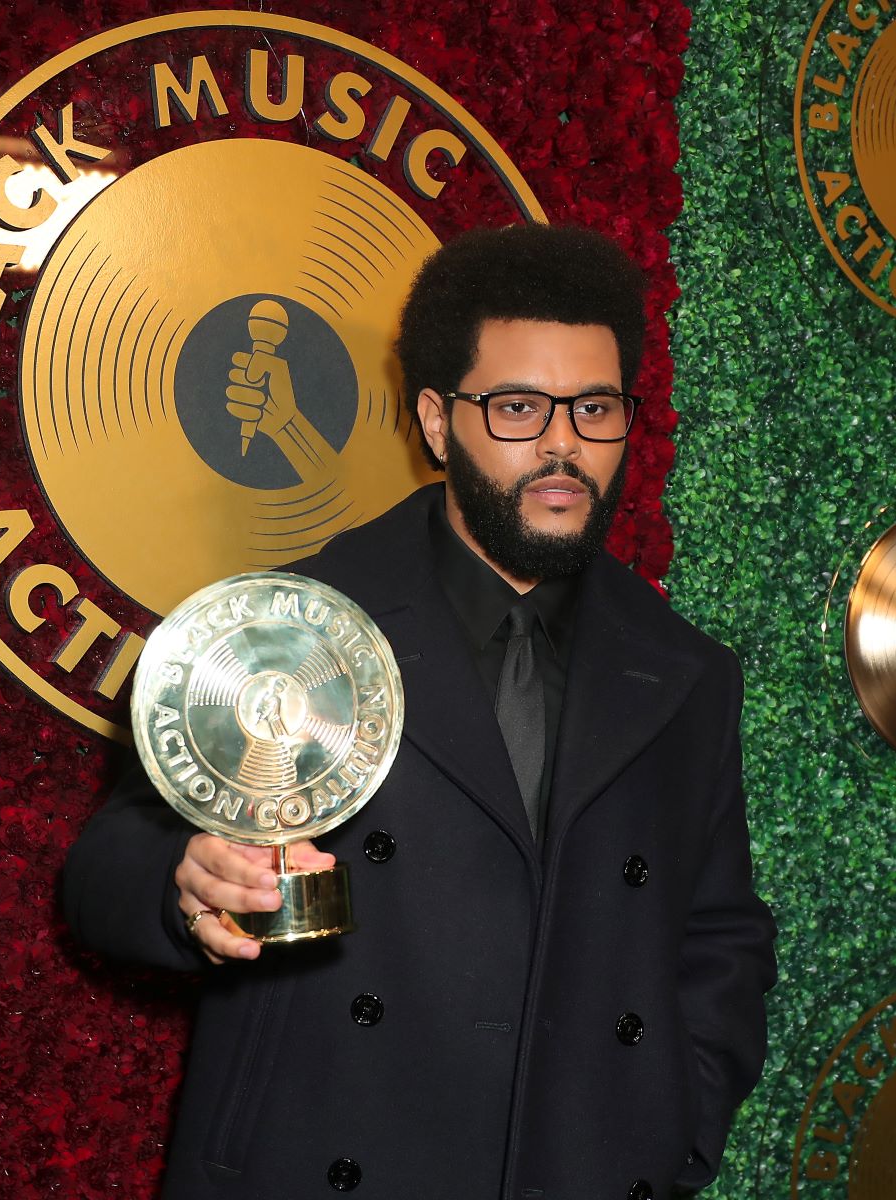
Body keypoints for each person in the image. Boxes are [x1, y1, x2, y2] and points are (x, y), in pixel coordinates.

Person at [62, 224, 777, 1199]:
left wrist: (673, 1128)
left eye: (596, 408)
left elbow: (719, 935)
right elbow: (108, 860)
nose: (564, 446)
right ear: (439, 423)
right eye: (520, 407)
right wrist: (185, 883)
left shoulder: (687, 674)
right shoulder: (288, 622)